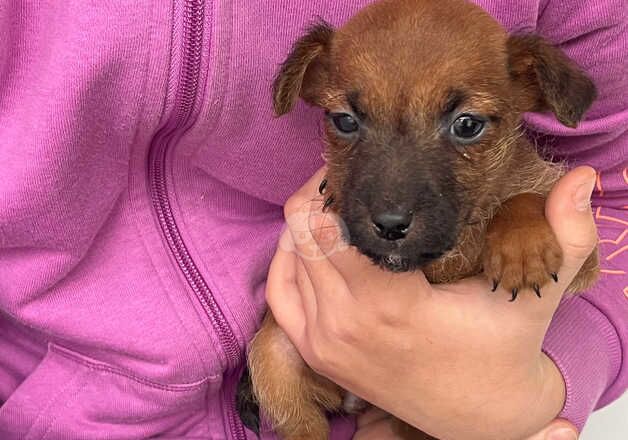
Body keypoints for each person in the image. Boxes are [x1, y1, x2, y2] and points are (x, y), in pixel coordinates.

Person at [0, 1, 625, 439]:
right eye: (348, 123)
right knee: (277, 358)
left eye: (465, 128)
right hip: (55, 406)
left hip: (450, 419)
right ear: (314, 88)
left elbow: (603, 205)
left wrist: (537, 387)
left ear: (531, 88)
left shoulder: (525, 122)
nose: (391, 206)